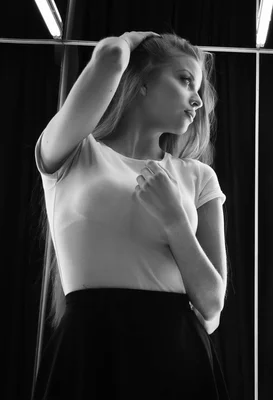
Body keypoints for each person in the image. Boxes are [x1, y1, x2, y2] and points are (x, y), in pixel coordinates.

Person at [32, 31, 229, 399]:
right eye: (185, 79)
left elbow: (211, 304)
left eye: (198, 86)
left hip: (178, 358)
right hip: (89, 352)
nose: (198, 99)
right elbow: (108, 56)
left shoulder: (199, 177)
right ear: (141, 82)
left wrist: (175, 222)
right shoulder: (73, 153)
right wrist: (133, 39)